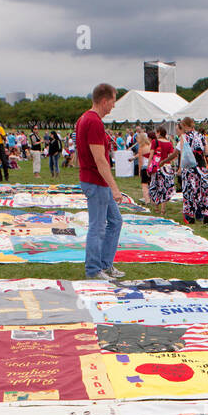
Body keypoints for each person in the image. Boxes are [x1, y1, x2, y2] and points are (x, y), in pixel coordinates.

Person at [75, 83, 128, 279]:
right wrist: (115, 188)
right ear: (104, 101)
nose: (113, 106)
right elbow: (100, 159)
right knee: (98, 226)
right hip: (96, 182)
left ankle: (105, 264)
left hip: (96, 181)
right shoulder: (94, 122)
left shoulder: (84, 118)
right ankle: (94, 269)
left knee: (115, 221)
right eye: (113, 101)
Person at [176, 117, 208, 224]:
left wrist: (180, 168)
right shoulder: (201, 136)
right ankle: (206, 214)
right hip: (201, 167)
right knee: (203, 191)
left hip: (189, 168)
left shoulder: (184, 137)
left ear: (184, 125)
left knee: (190, 191)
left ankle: (190, 216)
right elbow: (207, 152)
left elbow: (183, 153)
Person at [147, 126, 176, 206]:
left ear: (159, 132)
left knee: (155, 186)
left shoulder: (154, 142)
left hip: (157, 166)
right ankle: (163, 208)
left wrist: (148, 166)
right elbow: (171, 156)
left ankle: (156, 205)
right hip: (167, 166)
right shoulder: (169, 143)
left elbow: (151, 155)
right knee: (164, 187)